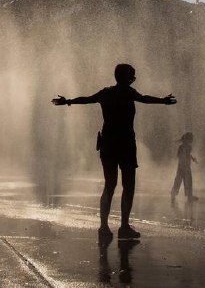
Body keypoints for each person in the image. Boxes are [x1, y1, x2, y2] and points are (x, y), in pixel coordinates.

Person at [52, 63, 177, 241]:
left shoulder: (106, 93)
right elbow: (144, 99)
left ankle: (103, 226)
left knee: (109, 185)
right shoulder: (128, 92)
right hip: (126, 144)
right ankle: (124, 226)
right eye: (132, 75)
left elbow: (87, 99)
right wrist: (163, 101)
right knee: (128, 186)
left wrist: (68, 101)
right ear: (126, 78)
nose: (134, 78)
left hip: (108, 144)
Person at [170, 132, 198, 206]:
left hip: (181, 166)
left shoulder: (183, 146)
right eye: (191, 138)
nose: (192, 140)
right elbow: (183, 155)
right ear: (188, 139)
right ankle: (188, 196)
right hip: (185, 166)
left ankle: (174, 194)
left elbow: (184, 155)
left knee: (179, 180)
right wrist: (187, 161)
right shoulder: (186, 147)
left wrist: (192, 159)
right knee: (187, 181)